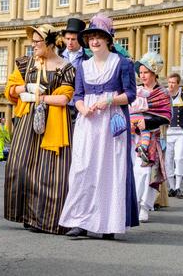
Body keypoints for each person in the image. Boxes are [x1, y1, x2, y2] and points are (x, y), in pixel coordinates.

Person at [59, 14, 139, 239]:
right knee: (83, 170)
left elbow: (130, 94)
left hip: (112, 124)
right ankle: (80, 221)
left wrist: (110, 101)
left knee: (109, 171)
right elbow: (78, 95)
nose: (94, 42)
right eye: (91, 37)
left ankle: (108, 223)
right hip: (88, 124)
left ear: (108, 40)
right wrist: (82, 107)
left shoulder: (122, 63)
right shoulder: (83, 67)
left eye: (99, 38)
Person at [3, 24, 75, 234]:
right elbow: (9, 90)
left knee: (50, 172)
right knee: (20, 166)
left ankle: (46, 220)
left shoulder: (66, 68)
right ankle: (26, 214)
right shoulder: (26, 64)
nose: (33, 45)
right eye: (32, 41)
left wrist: (40, 97)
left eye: (38, 42)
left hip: (54, 122)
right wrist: (25, 88)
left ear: (50, 43)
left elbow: (64, 98)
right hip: (27, 121)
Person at [131, 52, 171, 223]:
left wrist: (147, 123)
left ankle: (144, 205)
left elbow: (165, 117)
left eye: (145, 72)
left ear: (154, 72)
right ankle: (132, 203)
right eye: (140, 72)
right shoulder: (135, 91)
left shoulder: (162, 94)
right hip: (132, 137)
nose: (142, 76)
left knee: (147, 172)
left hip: (151, 138)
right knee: (133, 171)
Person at [165, 73, 183, 199]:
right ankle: (171, 187)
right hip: (166, 133)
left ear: (178, 84)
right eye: (169, 82)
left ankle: (178, 187)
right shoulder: (164, 97)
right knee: (168, 160)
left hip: (180, 133)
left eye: (173, 82)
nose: (170, 85)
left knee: (179, 159)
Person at [59, 18, 87, 122]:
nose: (70, 42)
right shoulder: (58, 56)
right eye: (68, 38)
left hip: (77, 107)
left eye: (73, 39)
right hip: (59, 105)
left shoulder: (87, 59)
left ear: (80, 39)